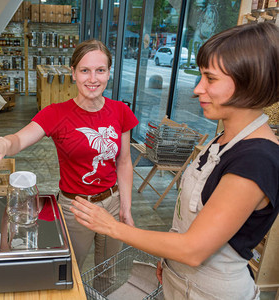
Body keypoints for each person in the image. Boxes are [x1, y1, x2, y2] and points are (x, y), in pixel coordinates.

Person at [70, 22, 279, 299]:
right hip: (180, 281)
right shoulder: (225, 139)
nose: (197, 89)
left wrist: (110, 226)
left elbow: (193, 249)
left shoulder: (257, 160)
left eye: (211, 78)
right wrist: (170, 260)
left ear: (251, 80)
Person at [0, 39, 139, 275]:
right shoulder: (56, 114)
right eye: (85, 70)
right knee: (70, 271)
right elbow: (19, 139)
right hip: (75, 208)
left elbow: (123, 162)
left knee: (108, 272)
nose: (93, 79)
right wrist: (2, 143)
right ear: (73, 73)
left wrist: (126, 206)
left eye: (100, 70)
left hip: (112, 204)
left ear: (108, 73)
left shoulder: (121, 111)